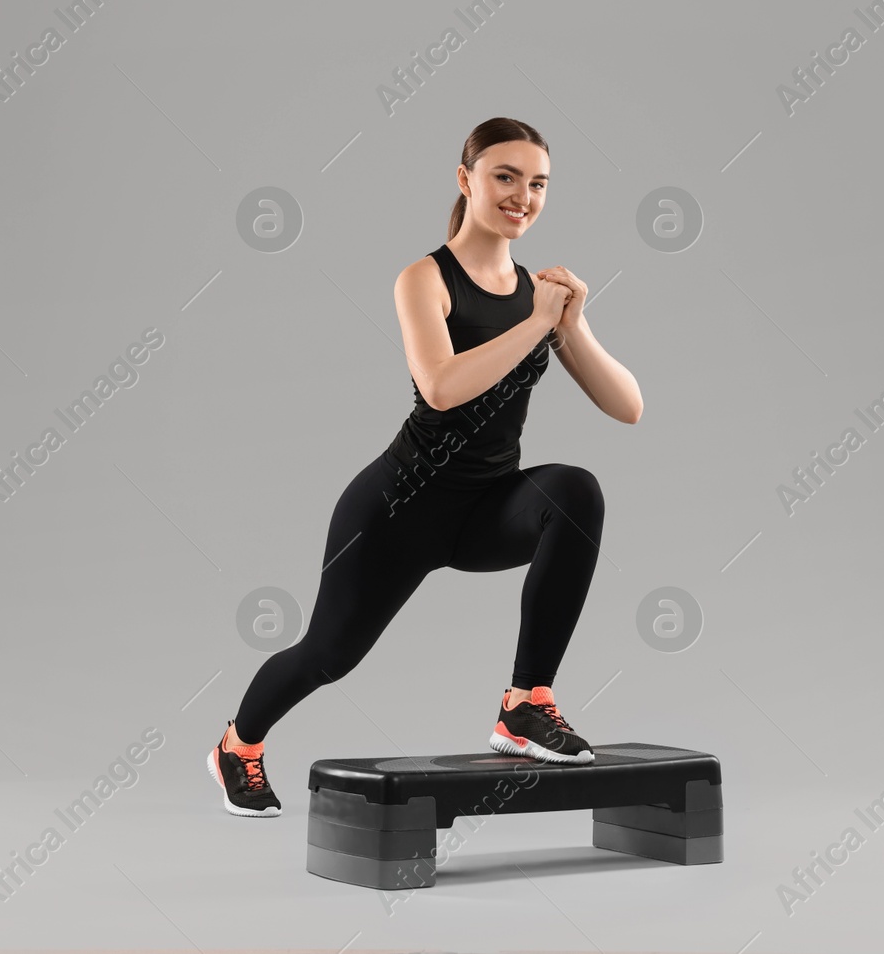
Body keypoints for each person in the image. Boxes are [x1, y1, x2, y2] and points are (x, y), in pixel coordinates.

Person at [208, 116, 644, 817]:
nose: (522, 196)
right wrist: (537, 322)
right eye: (505, 176)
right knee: (328, 654)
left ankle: (525, 703)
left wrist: (574, 322)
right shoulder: (424, 279)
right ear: (466, 178)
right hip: (398, 510)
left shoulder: (541, 293)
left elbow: (628, 406)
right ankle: (238, 744)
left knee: (574, 492)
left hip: (485, 509)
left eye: (538, 184)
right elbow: (441, 384)